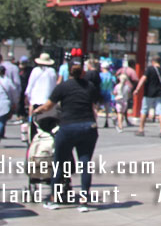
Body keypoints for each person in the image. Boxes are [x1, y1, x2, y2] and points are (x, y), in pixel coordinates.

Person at [33, 62, 100, 212]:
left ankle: (53, 199)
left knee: (59, 163)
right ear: (82, 72)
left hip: (68, 127)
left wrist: (36, 111)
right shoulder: (90, 86)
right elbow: (94, 105)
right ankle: (83, 202)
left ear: (67, 72)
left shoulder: (62, 87)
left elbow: (48, 106)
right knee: (85, 163)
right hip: (88, 127)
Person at [133, 55, 161, 137]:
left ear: (153, 61)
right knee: (160, 112)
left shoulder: (149, 69)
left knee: (144, 111)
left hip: (148, 93)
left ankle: (141, 129)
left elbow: (143, 79)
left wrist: (137, 89)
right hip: (159, 94)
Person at [25, 53, 57, 119]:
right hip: (47, 101)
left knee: (33, 118)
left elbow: (30, 84)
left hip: (35, 100)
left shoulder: (35, 70)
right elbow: (54, 86)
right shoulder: (52, 72)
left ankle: (30, 123)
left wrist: (27, 95)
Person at [98, 61, 116, 128]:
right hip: (108, 92)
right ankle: (106, 121)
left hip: (100, 92)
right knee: (107, 107)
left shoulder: (100, 75)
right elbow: (112, 85)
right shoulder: (110, 76)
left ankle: (95, 121)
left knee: (97, 106)